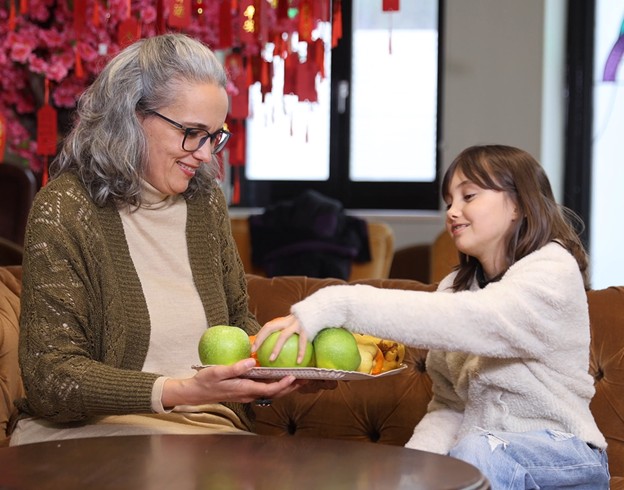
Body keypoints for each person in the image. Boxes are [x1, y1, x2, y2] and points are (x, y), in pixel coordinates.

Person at [254, 145, 611, 489]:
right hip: (485, 461)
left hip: (566, 459)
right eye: (449, 202)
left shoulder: (552, 269)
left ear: (518, 203)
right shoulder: (456, 287)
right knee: (444, 463)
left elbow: (477, 320)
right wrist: (412, 473)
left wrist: (340, 303)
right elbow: (449, 406)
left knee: (472, 452)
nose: (453, 212)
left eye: (468, 197)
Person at [11, 33, 303, 445]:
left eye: (215, 135)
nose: (205, 154)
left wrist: (278, 370)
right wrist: (180, 391)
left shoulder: (205, 204)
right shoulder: (64, 207)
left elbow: (238, 323)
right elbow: (51, 375)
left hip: (205, 432)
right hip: (90, 437)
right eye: (192, 132)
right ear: (130, 117)